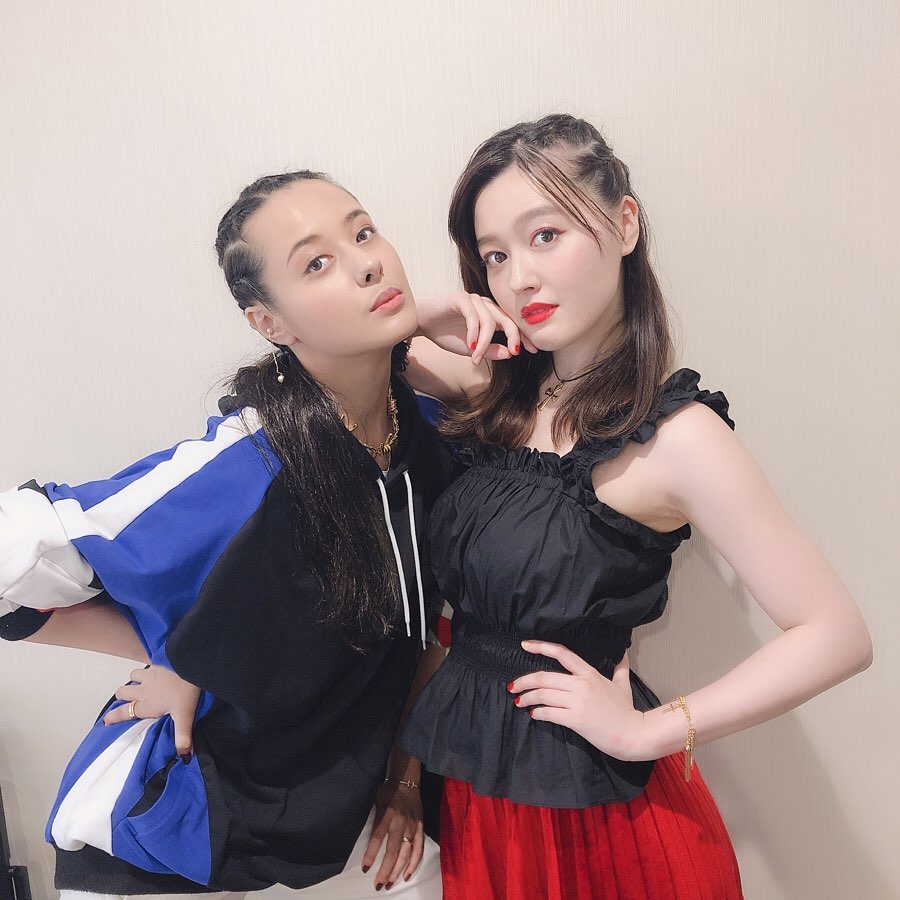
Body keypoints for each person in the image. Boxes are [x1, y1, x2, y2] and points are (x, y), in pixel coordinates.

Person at [400, 114, 873, 899]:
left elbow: (837, 634)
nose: (518, 278)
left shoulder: (679, 438)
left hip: (604, 826)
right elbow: (327, 354)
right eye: (495, 256)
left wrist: (651, 729)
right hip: (487, 803)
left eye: (545, 235)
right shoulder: (492, 395)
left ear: (624, 224)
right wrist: (422, 317)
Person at [0, 170, 462, 898]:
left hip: (326, 807)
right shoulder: (246, 467)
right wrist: (175, 655)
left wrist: (404, 780)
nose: (367, 263)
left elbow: (427, 631)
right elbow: (16, 561)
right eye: (317, 263)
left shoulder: (426, 438)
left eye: (364, 232)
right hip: (168, 826)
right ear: (270, 324)